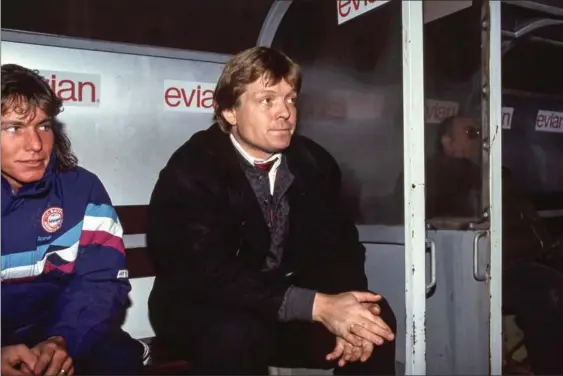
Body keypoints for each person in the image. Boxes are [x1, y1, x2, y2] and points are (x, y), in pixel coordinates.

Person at [147, 46, 397, 375]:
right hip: (202, 308)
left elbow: (342, 248)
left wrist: (350, 309)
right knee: (236, 334)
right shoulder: (192, 169)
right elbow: (207, 273)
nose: (285, 113)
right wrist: (319, 306)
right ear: (229, 112)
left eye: (290, 99)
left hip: (277, 308)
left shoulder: (314, 163)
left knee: (374, 320)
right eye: (267, 100)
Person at [1, 64, 147, 376]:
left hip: (62, 329)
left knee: (119, 359)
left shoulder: (82, 189)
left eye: (43, 126)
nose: (36, 145)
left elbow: (100, 279)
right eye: (14, 128)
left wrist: (63, 339)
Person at [426, 115, 563, 375]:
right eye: (470, 132)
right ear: (448, 143)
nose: (480, 137)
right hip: (485, 266)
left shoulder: (489, 172)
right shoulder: (438, 175)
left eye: (481, 131)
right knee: (546, 290)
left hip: (526, 253)